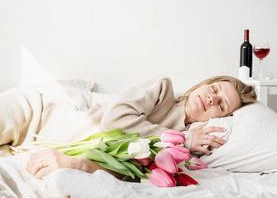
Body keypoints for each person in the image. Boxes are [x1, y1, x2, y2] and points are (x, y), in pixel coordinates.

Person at [0, 76, 257, 179]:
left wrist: (185, 143)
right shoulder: (162, 90)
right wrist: (180, 138)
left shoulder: (188, 148)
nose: (212, 98)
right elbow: (115, 120)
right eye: (214, 89)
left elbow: (131, 165)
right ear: (202, 85)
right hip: (38, 114)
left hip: (43, 145)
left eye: (221, 105)